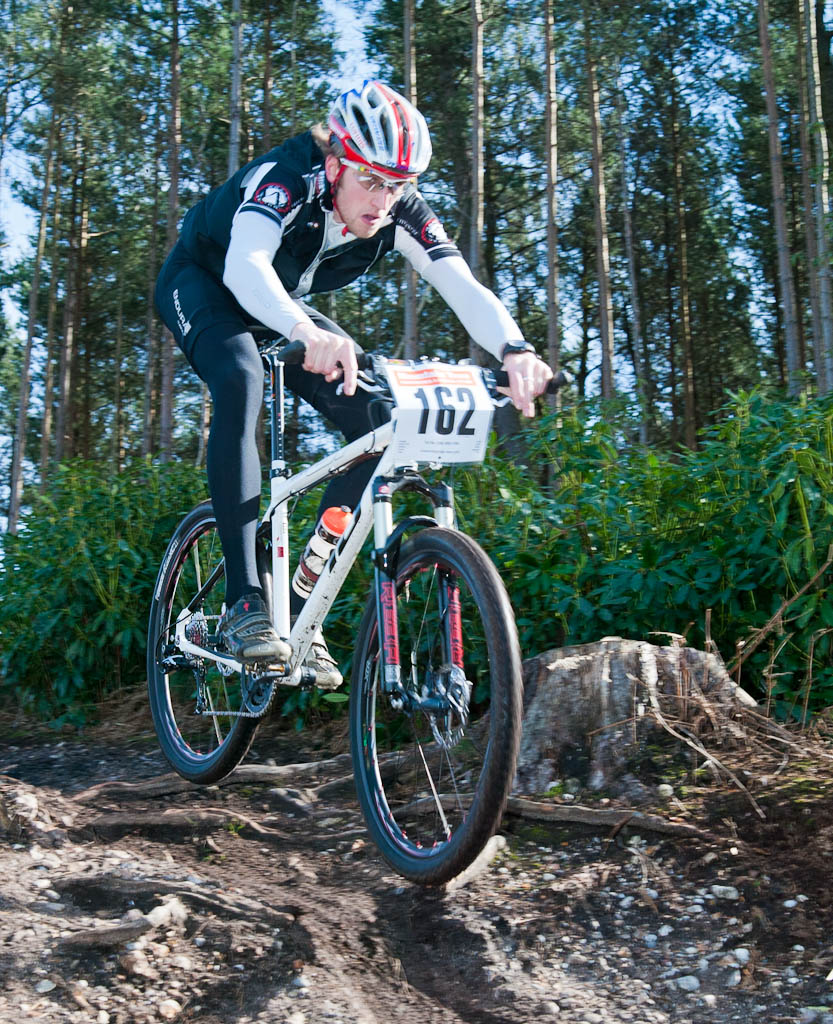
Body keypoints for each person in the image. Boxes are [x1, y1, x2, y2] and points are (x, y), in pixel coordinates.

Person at [155, 79, 553, 688]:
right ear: (336, 164)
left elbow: (461, 284)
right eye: (370, 181)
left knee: (377, 420)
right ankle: (244, 603)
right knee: (241, 376)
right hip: (208, 284)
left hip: (280, 305)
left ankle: (299, 608)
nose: (384, 200)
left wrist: (517, 349)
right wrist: (301, 328)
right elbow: (246, 266)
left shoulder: (397, 208)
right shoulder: (285, 177)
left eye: (398, 186)